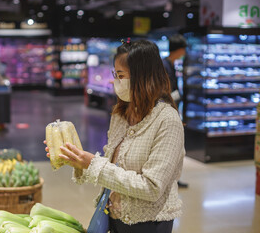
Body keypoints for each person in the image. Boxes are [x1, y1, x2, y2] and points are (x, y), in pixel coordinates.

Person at [45, 39, 186, 233]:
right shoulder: (121, 114)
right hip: (115, 219)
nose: (114, 82)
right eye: (115, 74)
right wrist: (77, 160)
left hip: (148, 224)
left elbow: (151, 187)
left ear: (142, 77)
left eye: (120, 76)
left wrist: (92, 164)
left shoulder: (167, 121)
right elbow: (114, 167)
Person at [162, 34, 189, 189]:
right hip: (170, 111)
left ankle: (174, 179)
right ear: (178, 50)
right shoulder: (165, 65)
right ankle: (171, 180)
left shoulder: (169, 64)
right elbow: (166, 92)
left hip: (173, 109)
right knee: (171, 148)